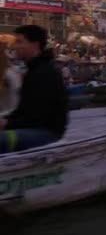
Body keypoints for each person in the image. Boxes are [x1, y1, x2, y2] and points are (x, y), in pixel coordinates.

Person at [0, 25, 69, 153]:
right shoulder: (32, 70)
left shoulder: (45, 72)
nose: (15, 47)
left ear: (35, 45)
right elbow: (22, 111)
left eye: (20, 42)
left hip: (46, 133)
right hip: (29, 128)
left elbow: (37, 116)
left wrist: (6, 124)